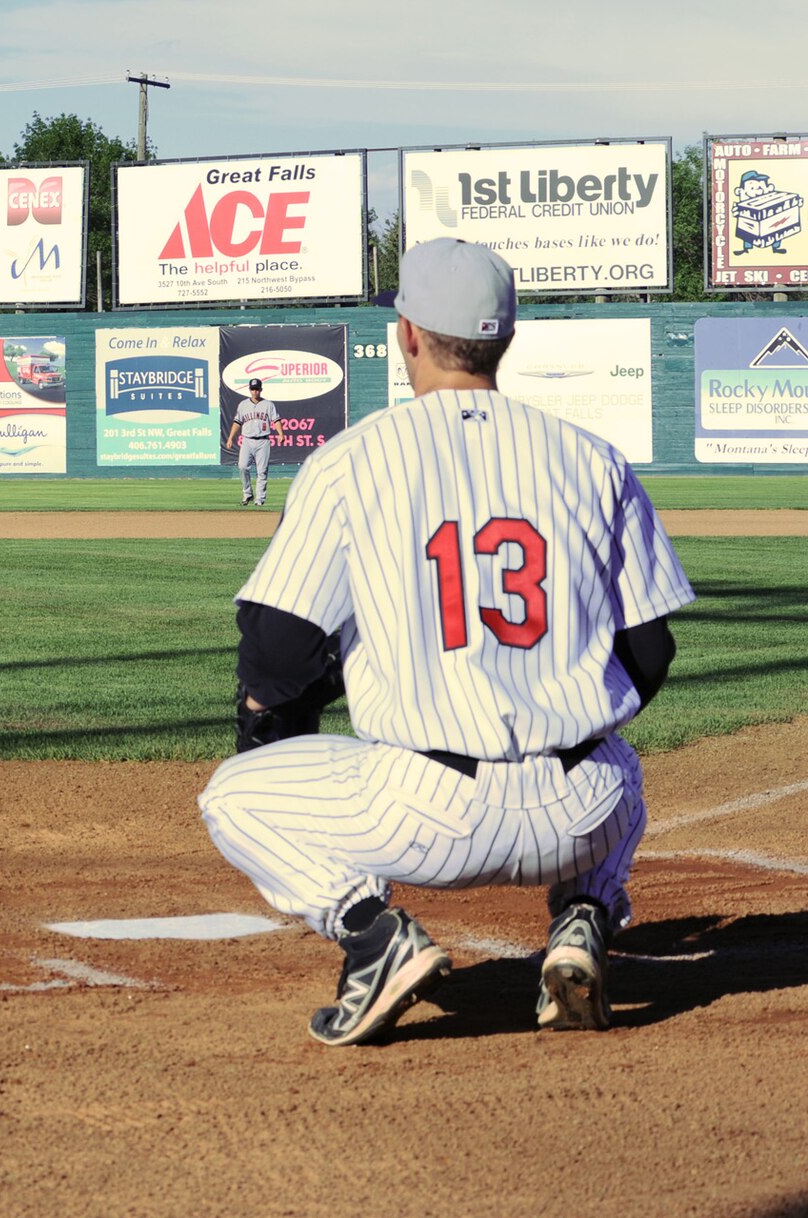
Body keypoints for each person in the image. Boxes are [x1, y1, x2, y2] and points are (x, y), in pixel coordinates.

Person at [197, 238, 693, 1047]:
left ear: (407, 336)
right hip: (580, 812)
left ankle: (372, 935)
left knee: (234, 794)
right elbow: (650, 652)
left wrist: (276, 724)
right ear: (507, 339)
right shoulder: (594, 459)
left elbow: (278, 654)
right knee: (620, 763)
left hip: (423, 818)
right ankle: (583, 915)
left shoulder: (350, 463)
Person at [225, 378, 284, 506]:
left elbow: (276, 420)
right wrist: (230, 438)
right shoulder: (243, 405)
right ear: (249, 390)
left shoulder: (268, 404)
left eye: (257, 389)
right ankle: (247, 494)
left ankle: (259, 499)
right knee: (242, 466)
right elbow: (237, 422)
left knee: (262, 471)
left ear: (261, 390)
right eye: (252, 389)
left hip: (263, 441)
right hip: (247, 440)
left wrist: (280, 433)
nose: (255, 391)